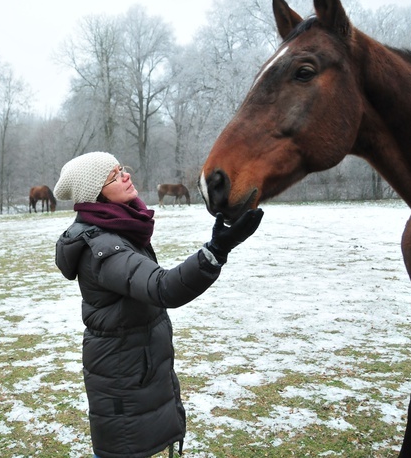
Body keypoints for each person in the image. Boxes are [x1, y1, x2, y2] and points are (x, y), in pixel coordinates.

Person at [53, 152, 263, 458]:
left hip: (134, 368)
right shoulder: (102, 248)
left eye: (121, 169)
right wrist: (216, 250)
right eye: (113, 176)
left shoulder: (118, 231)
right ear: (95, 194)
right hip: (124, 377)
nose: (125, 175)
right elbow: (163, 288)